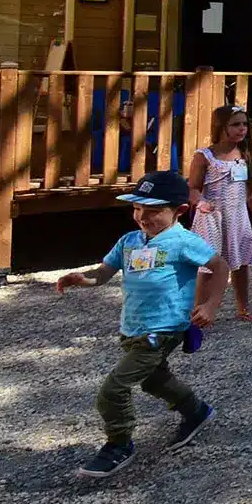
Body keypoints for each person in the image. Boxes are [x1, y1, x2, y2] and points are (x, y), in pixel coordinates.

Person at [55, 170, 229, 480]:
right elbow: (104, 273)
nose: (142, 217)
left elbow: (220, 266)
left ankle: (118, 444)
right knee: (152, 380)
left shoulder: (183, 242)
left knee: (113, 389)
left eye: (153, 211)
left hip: (162, 330)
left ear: (179, 211)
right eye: (138, 209)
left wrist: (211, 304)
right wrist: (84, 279)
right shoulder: (129, 241)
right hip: (132, 328)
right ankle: (196, 411)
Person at [188, 104, 252, 322]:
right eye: (235, 125)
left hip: (237, 216)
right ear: (221, 126)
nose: (242, 129)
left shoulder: (246, 154)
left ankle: (243, 309)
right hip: (212, 217)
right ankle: (198, 312)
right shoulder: (205, 156)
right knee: (208, 265)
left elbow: (250, 188)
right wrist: (201, 202)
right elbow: (192, 188)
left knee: (241, 263)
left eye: (244, 124)